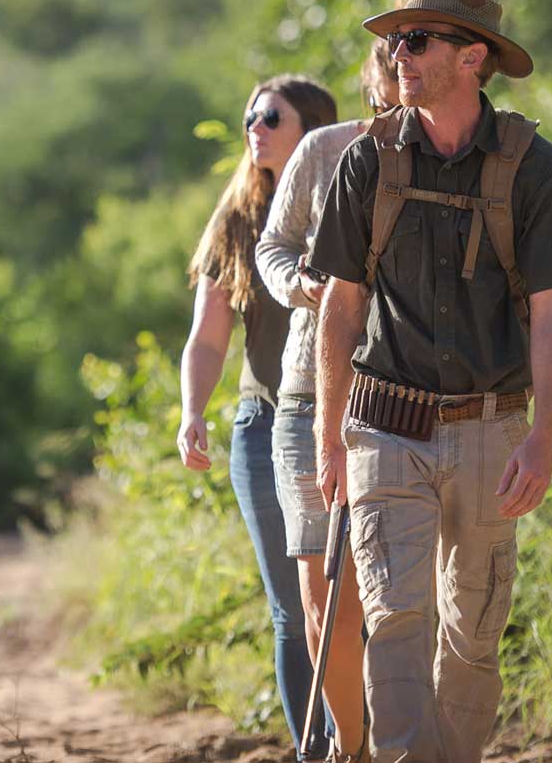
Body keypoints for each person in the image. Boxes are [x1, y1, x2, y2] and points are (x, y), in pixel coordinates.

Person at [309, 0, 552, 763]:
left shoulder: (533, 168)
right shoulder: (368, 160)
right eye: (395, 41)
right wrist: (330, 436)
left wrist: (543, 437)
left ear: (473, 58)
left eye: (418, 40)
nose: (398, 55)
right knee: (396, 620)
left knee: (473, 634)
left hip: (489, 430)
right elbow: (339, 307)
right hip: (383, 430)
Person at [176, 74, 338, 758]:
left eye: (272, 116)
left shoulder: (349, 199)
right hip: (263, 425)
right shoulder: (237, 218)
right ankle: (314, 748)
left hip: (351, 422)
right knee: (291, 606)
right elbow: (209, 337)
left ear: (316, 130)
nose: (256, 127)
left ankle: (353, 742)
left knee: (349, 606)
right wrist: (192, 411)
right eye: (250, 115)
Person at [255, 38, 398, 761]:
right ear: (376, 72)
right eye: (392, 51)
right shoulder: (325, 149)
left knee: (396, 603)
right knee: (324, 602)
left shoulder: (465, 161)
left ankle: (397, 738)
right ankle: (351, 746)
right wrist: (302, 288)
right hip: (309, 396)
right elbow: (273, 246)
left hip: (408, 401)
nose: (403, 63)